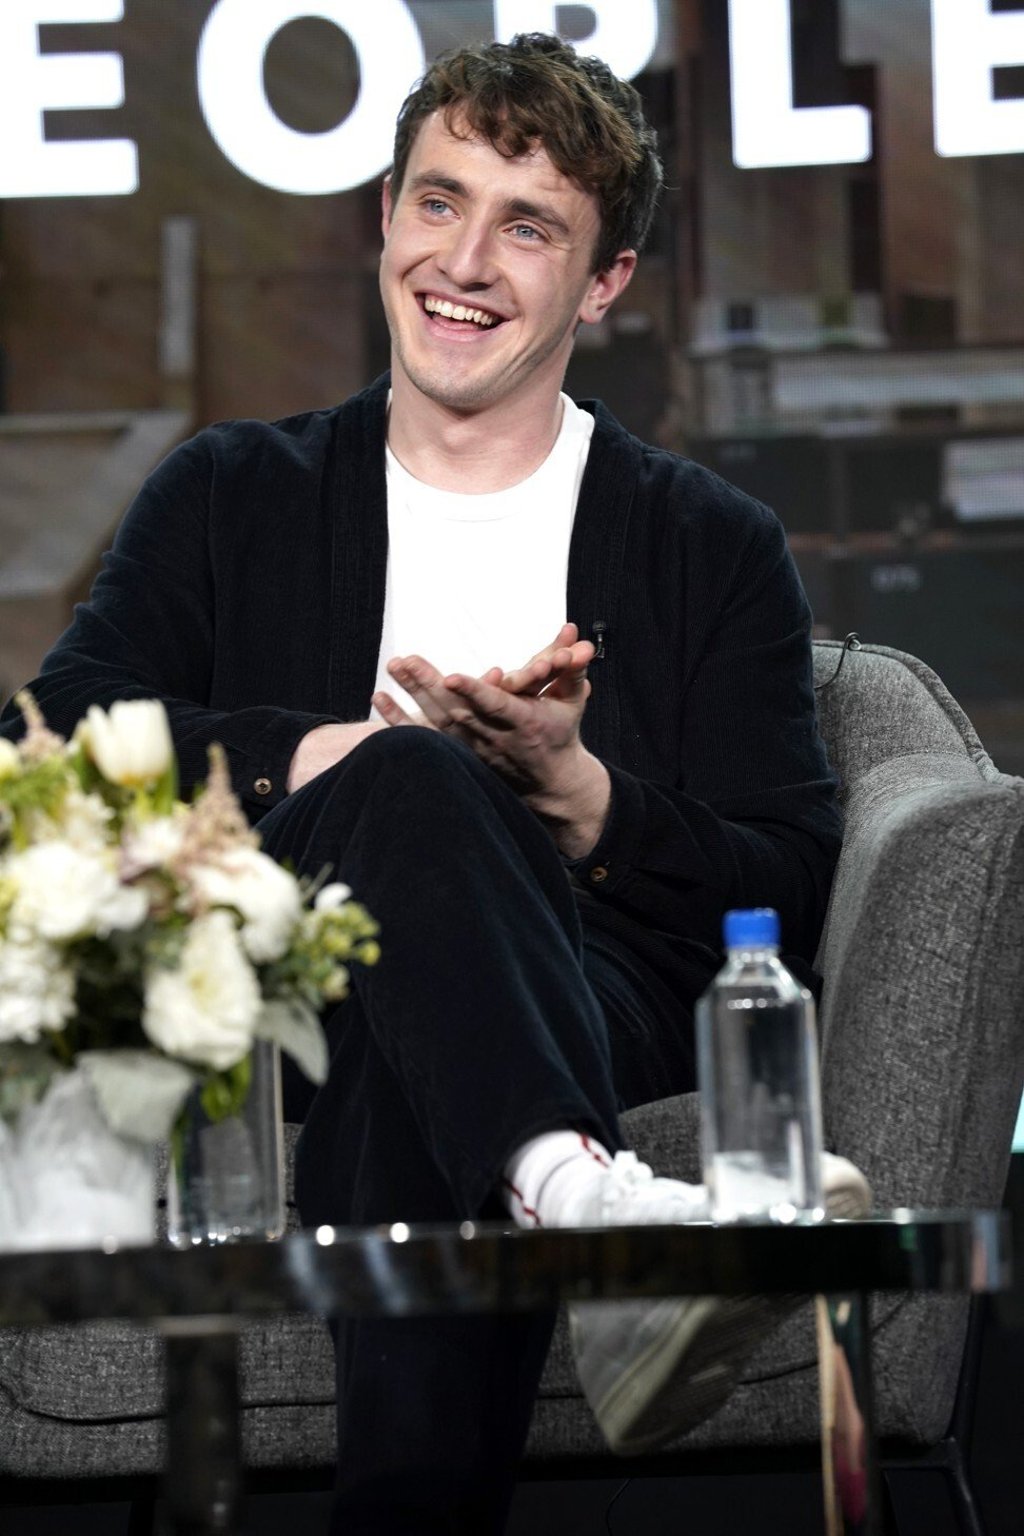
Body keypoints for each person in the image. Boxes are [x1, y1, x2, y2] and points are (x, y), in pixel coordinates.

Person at [0, 33, 864, 1534]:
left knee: (417, 1052)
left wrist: (579, 796)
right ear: (385, 219)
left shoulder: (707, 542)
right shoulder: (233, 491)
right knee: (404, 778)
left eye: (528, 227)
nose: (463, 262)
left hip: (579, 987)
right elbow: (51, 732)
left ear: (604, 282)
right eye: (438, 202)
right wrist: (323, 753)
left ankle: (540, 1174)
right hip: (269, 979)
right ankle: (579, 1198)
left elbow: (787, 878)